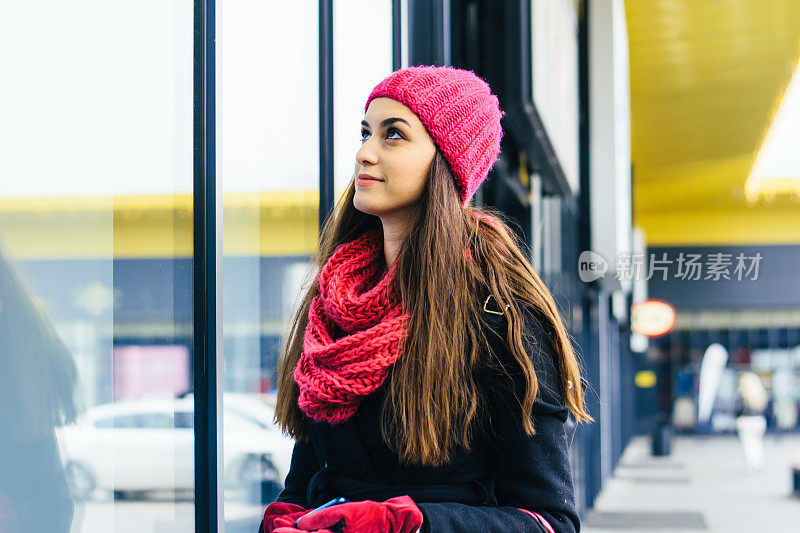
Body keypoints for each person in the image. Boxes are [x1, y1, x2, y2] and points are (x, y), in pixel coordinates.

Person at [260, 65, 594, 533]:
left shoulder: (501, 314)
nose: (364, 153)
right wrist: (285, 516)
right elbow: (311, 474)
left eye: (392, 135)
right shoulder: (336, 302)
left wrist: (410, 524)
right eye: (365, 132)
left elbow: (550, 521)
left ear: (446, 162)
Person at [734, 372, 768, 474]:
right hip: (759, 420)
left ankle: (752, 464)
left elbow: (737, 410)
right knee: (757, 442)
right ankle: (759, 461)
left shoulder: (742, 394)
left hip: (746, 421)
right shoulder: (760, 393)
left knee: (748, 444)